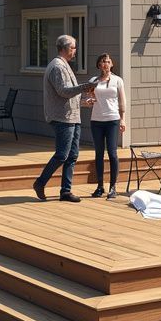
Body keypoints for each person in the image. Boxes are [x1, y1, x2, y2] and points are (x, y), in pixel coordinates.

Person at [32, 35, 95, 203]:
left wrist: (83, 102)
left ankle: (65, 191)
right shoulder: (57, 67)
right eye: (73, 48)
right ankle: (40, 183)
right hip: (62, 118)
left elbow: (67, 96)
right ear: (65, 48)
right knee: (62, 154)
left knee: (72, 155)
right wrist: (85, 86)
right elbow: (63, 91)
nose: (75, 51)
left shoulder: (64, 65)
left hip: (72, 117)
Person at [84, 52, 126, 199]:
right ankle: (100, 186)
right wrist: (88, 101)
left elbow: (122, 101)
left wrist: (123, 119)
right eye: (103, 61)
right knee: (99, 153)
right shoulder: (93, 81)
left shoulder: (117, 80)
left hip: (113, 119)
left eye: (108, 61)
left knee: (112, 153)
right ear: (99, 64)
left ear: (112, 64)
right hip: (96, 120)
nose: (106, 64)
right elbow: (89, 98)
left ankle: (113, 186)